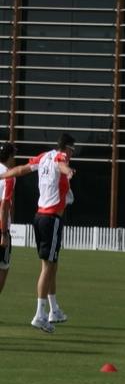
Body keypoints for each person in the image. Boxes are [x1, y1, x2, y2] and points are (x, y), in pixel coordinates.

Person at [0, 133, 78, 332]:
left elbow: (21, 169)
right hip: (51, 218)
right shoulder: (61, 157)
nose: (71, 154)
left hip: (41, 217)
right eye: (72, 150)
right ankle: (39, 314)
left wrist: (2, 175)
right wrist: (67, 171)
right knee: (47, 267)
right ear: (67, 148)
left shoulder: (43, 156)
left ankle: (53, 309)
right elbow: (61, 163)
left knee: (52, 265)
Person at [0, 142, 17, 296]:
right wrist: (4, 233)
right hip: (1, 228)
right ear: (10, 156)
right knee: (3, 268)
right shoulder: (9, 176)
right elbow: (4, 205)